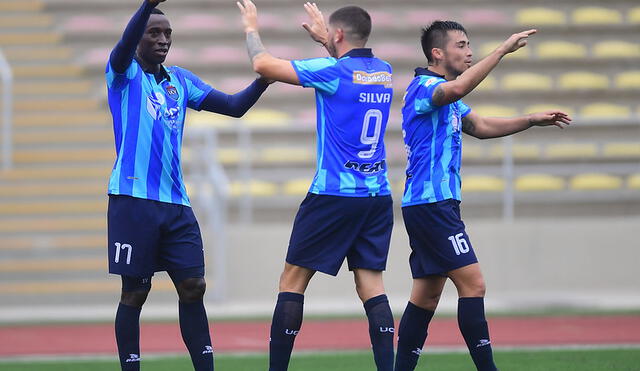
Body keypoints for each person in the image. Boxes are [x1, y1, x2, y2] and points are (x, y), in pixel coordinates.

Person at [394, 21, 572, 371]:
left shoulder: (446, 95)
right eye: (461, 45)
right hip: (432, 204)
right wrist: (502, 50)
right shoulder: (424, 88)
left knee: (427, 296)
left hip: (430, 205)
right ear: (437, 53)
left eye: (470, 44)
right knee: (473, 284)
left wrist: (530, 120)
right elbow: (459, 89)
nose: (469, 51)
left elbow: (481, 126)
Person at [106, 1, 270, 370]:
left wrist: (265, 78)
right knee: (135, 292)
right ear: (137, 38)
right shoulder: (123, 73)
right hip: (132, 200)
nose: (163, 39)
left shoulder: (180, 80)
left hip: (177, 203)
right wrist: (148, 4)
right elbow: (121, 48)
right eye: (154, 32)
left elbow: (234, 106)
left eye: (168, 34)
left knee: (194, 285)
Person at [237, 1, 395, 370]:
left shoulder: (330, 70)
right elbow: (352, 71)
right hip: (377, 194)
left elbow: (263, 66)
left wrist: (250, 27)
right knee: (372, 285)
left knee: (293, 280)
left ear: (338, 34)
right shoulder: (385, 72)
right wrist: (330, 41)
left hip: (332, 195)